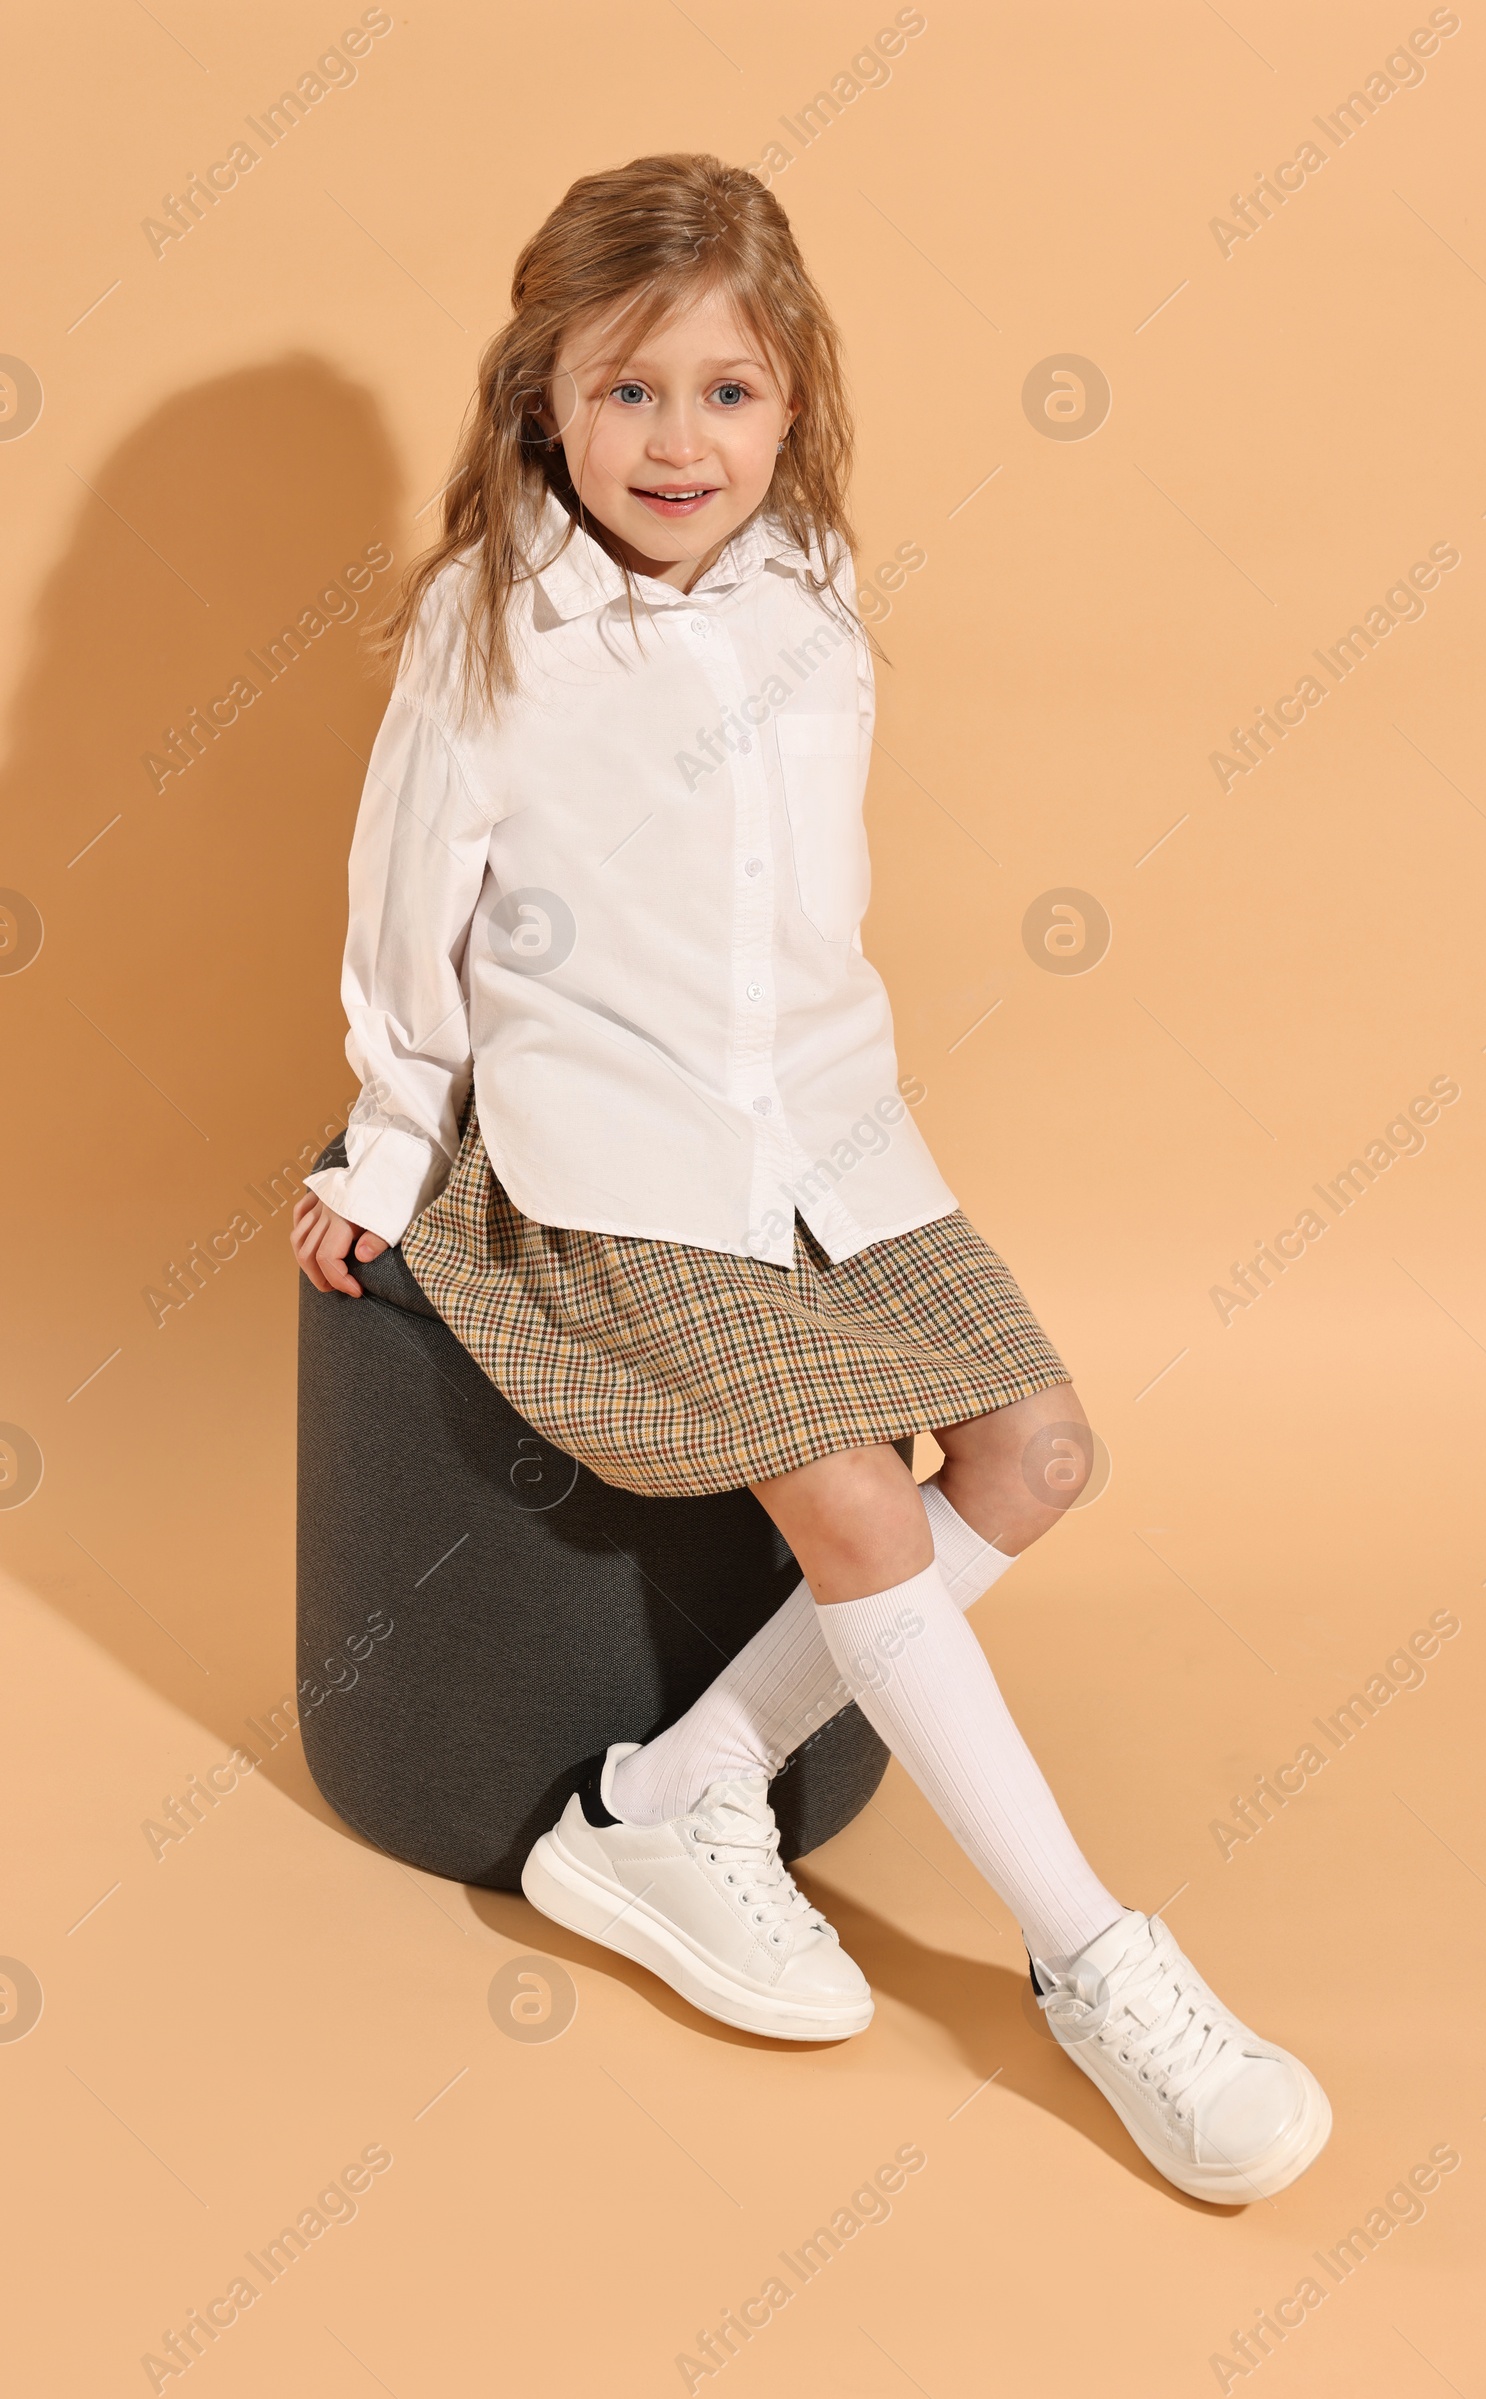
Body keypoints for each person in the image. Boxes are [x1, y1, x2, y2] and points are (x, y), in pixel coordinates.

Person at [292, 152, 1330, 2205]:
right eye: (626, 394)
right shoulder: (488, 625)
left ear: (795, 405)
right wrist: (392, 1139)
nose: (679, 443)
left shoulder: (813, 595)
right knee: (851, 1494)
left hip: (827, 1139)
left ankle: (676, 1793)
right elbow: (404, 907)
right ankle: (1092, 1961)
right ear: (540, 405)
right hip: (612, 1158)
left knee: (1032, 1454)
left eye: (726, 394)